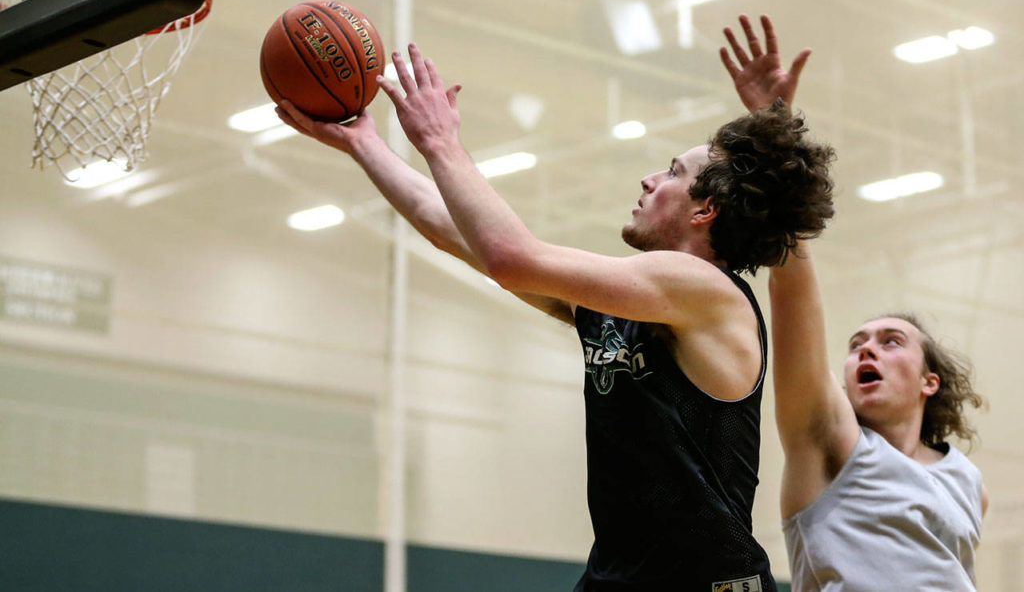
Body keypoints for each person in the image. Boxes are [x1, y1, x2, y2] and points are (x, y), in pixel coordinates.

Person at [276, 29, 834, 591]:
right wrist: (364, 142)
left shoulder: (706, 290)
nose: (648, 178)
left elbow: (511, 257)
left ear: (705, 209)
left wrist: (441, 140)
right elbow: (450, 228)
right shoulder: (634, 301)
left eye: (671, 172)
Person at [720, 15, 988, 591]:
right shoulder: (827, 435)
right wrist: (774, 130)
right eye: (856, 344)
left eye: (891, 342)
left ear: (929, 381)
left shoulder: (969, 481)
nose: (866, 348)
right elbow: (792, 288)